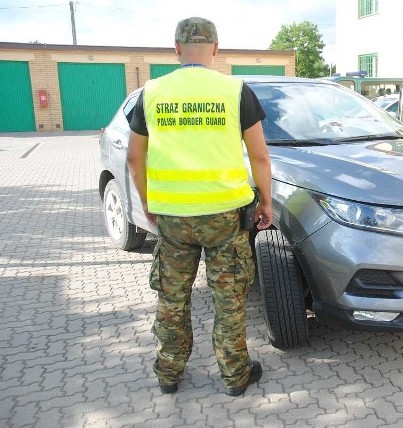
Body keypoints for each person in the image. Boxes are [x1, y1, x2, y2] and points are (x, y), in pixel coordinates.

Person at [126, 16, 272, 397]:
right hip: (226, 217)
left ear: (175, 48)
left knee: (172, 300)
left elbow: (133, 159)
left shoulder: (151, 92)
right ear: (216, 48)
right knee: (229, 299)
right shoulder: (236, 90)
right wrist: (267, 203)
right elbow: (259, 156)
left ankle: (169, 374)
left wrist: (147, 202)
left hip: (173, 219)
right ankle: (236, 376)